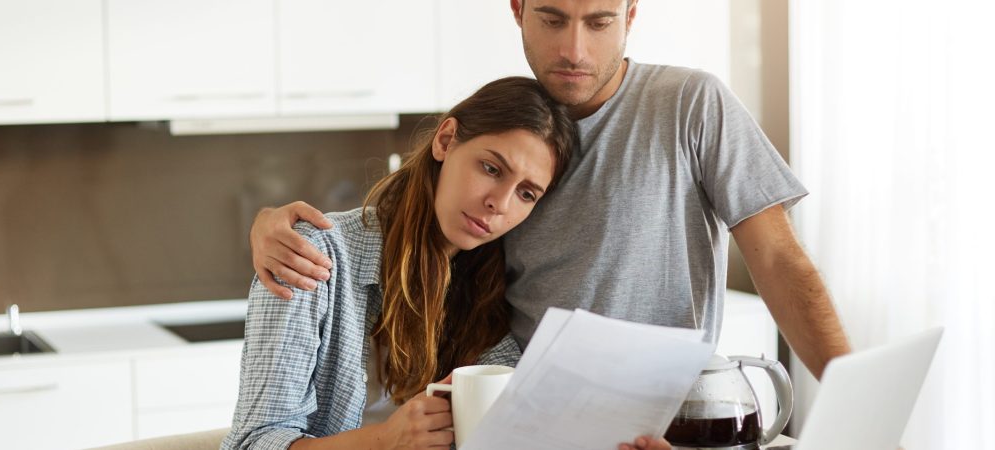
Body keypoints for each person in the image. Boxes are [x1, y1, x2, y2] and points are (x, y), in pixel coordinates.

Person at [251, 0, 850, 399]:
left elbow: (778, 260)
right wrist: (280, 229)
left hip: (670, 419)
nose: (574, 52)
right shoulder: (508, 127)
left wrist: (850, 394)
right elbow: (412, 223)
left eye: (598, 22)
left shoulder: (691, 104)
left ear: (630, 15)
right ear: (517, 10)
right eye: (552, 17)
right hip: (528, 418)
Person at [224, 77, 664, 450]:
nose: (499, 204)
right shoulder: (311, 257)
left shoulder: (490, 286)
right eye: (491, 168)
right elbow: (253, 441)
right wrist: (385, 440)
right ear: (446, 140)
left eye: (527, 193)